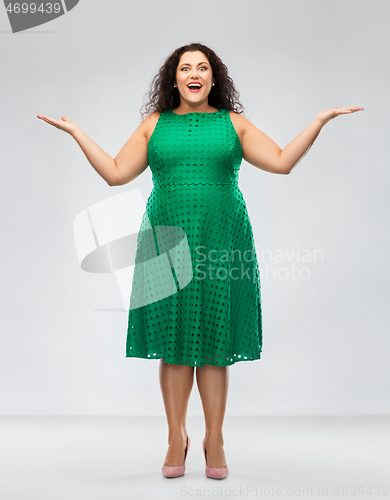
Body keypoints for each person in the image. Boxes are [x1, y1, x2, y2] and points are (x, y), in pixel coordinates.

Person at [37, 42, 363, 480]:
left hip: (222, 239)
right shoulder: (154, 124)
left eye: (203, 67)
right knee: (173, 342)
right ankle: (176, 436)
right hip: (165, 240)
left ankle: (215, 437)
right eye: (185, 67)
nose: (194, 73)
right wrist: (78, 132)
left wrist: (320, 121)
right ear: (173, 79)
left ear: (214, 78)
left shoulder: (233, 124)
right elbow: (115, 172)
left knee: (214, 341)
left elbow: (283, 162)